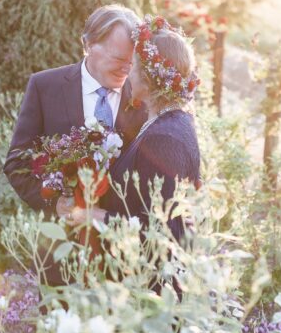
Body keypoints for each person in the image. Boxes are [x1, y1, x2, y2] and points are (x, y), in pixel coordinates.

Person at [60, 15, 201, 245]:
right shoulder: (168, 122)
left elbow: (163, 230)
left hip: (152, 278)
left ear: (147, 77)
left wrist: (96, 216)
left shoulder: (164, 138)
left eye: (133, 65)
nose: (127, 74)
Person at [4, 4, 147, 214]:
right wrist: (55, 205)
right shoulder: (44, 87)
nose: (127, 70)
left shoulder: (144, 96)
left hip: (124, 236)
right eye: (118, 59)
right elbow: (17, 162)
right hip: (62, 238)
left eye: (132, 62)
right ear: (89, 45)